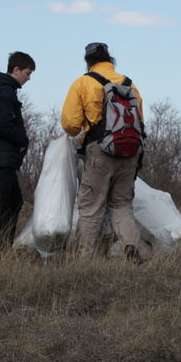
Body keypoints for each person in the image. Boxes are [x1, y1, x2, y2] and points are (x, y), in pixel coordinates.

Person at [61, 42, 143, 262]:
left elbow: (71, 125)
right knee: (122, 204)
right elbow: (140, 120)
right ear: (110, 59)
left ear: (88, 61)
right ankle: (131, 246)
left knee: (91, 207)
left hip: (100, 152)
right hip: (130, 151)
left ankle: (85, 259)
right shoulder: (129, 83)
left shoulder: (83, 83)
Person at [0, 51, 35, 251]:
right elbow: (3, 123)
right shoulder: (5, 92)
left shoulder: (4, 90)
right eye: (27, 73)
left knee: (12, 201)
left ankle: (2, 245)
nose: (28, 78)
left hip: (2, 155)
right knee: (4, 201)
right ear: (16, 70)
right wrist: (22, 139)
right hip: (2, 155)